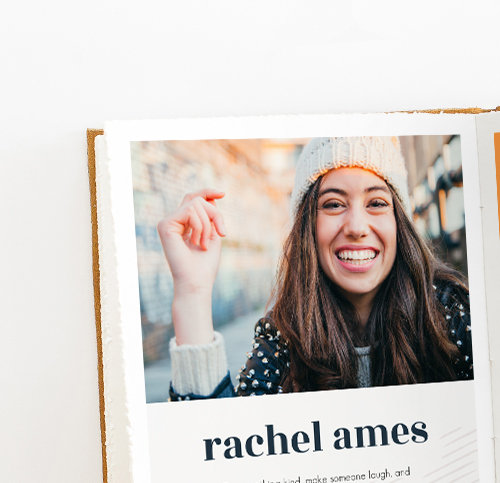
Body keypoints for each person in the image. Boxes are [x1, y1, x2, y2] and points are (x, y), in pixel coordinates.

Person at [157, 136, 472, 399]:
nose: (357, 227)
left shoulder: (451, 313)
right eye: (334, 204)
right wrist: (192, 293)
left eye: (376, 203)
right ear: (308, 226)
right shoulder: (282, 337)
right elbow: (222, 452)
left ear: (399, 223)